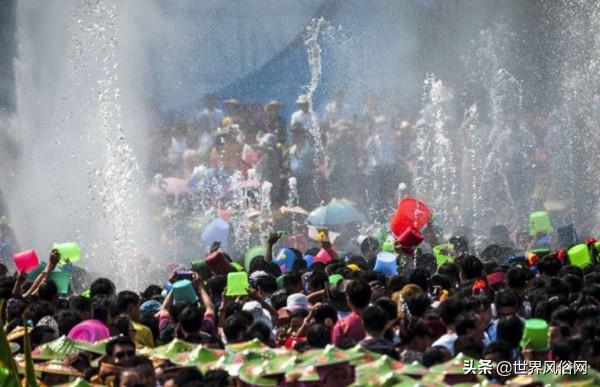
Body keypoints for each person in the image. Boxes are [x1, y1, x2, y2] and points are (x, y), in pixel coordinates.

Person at [331, 279, 371, 346]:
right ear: (369, 298)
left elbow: (336, 352)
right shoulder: (380, 321)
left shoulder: (342, 325)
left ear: (348, 300)